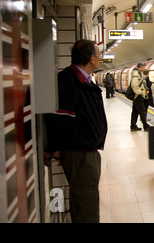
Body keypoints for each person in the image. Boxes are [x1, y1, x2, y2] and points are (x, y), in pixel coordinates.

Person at [45, 39, 107, 223]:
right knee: (86, 204)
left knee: (87, 198)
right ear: (91, 58)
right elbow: (59, 119)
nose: (100, 58)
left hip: (86, 153)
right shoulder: (69, 81)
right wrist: (54, 146)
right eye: (98, 55)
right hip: (80, 155)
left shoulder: (81, 80)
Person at [130, 61, 150, 131]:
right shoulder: (136, 73)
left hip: (136, 96)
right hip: (138, 96)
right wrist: (140, 93)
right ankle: (146, 126)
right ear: (141, 67)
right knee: (142, 111)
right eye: (144, 67)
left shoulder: (137, 73)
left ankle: (133, 126)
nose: (144, 68)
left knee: (135, 111)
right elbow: (134, 85)